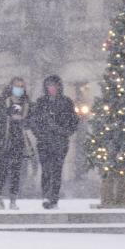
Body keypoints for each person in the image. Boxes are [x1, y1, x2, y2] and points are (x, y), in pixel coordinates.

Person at [29, 74, 80, 210]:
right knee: (46, 169)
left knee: (57, 170)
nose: (51, 88)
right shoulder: (41, 102)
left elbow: (73, 121)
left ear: (59, 86)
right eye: (49, 85)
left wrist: (65, 132)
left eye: (54, 85)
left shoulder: (66, 102)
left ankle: (54, 197)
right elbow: (33, 121)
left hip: (59, 142)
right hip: (44, 142)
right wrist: (40, 134)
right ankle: (46, 195)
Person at [0, 76, 30, 210]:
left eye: (21, 86)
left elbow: (30, 120)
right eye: (17, 86)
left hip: (19, 139)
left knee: (17, 171)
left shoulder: (26, 102)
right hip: (4, 139)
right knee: (3, 170)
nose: (19, 89)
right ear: (11, 86)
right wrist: (7, 115)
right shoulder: (1, 100)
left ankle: (13, 198)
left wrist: (23, 119)